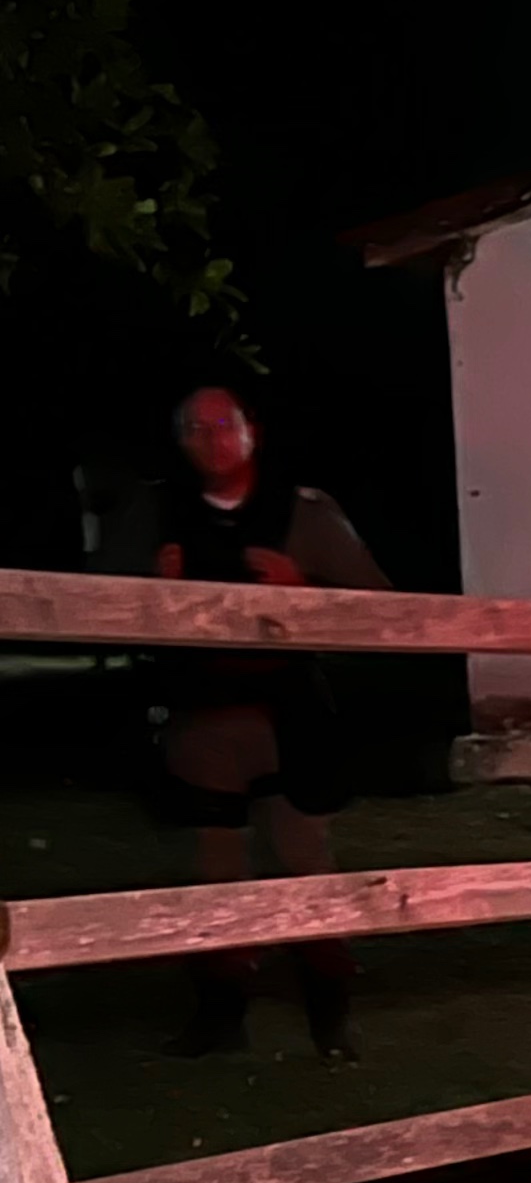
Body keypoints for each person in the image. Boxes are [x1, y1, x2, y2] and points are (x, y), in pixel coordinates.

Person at [140, 383, 390, 1059]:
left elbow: (381, 607)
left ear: (252, 431)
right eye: (196, 428)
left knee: (304, 861)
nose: (212, 440)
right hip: (203, 720)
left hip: (290, 720)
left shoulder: (305, 514)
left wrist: (302, 594)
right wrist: (152, 591)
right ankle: (219, 1017)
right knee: (213, 871)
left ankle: (331, 1020)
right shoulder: (160, 514)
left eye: (225, 425)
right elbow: (96, 600)